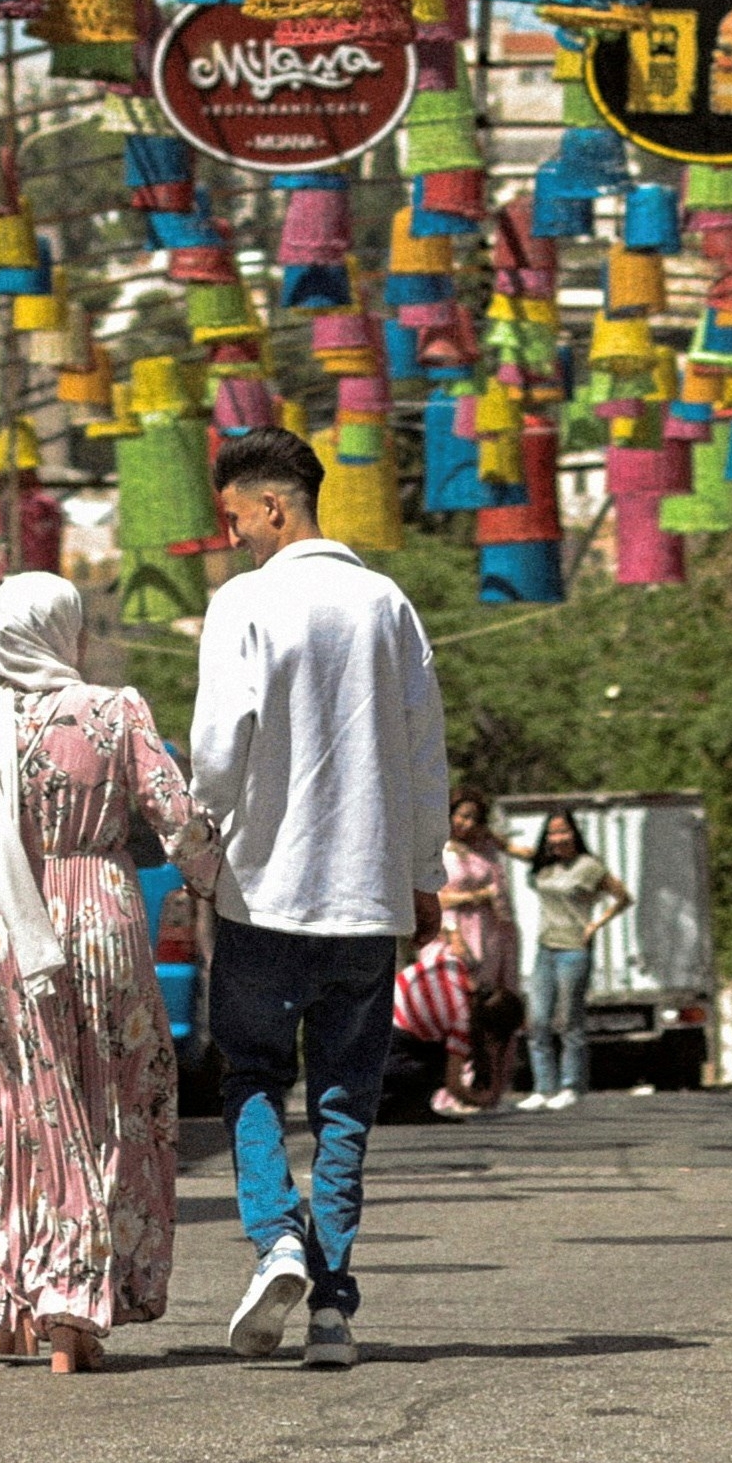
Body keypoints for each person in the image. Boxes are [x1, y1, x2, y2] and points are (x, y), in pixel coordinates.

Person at [188, 425, 451, 1370]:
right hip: (368, 901)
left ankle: (279, 1241)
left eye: (233, 519)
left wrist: (197, 850)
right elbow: (427, 755)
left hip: (264, 895)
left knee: (254, 1075)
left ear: (272, 507)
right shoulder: (388, 604)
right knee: (346, 1104)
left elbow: (219, 750)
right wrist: (425, 873)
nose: (232, 540)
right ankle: (332, 1312)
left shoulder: (246, 605)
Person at [0, 573, 224, 1375]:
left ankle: (15, 1308)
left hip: (10, 929)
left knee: (24, 1106)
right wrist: (220, 876)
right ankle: (76, 1311)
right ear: (62, 633)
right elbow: (177, 816)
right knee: (113, 1106)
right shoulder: (113, 712)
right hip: (98, 913)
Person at [515, 812, 629, 1110]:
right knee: (538, 1021)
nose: (557, 839)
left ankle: (571, 1085)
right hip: (545, 949)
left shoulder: (589, 867)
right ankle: (543, 1087)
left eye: (563, 832)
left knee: (569, 1021)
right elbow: (515, 850)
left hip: (574, 951)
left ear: (574, 834)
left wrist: (596, 924)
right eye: (552, 834)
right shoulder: (545, 864)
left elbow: (623, 897)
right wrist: (487, 834)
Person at [431, 791, 516, 1119]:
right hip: (452, 934)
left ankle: (487, 1088)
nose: (465, 823)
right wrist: (479, 895)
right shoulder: (437, 850)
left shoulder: (483, 852)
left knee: (488, 1012)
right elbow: (436, 899)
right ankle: (450, 1087)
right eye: (460, 815)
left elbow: (519, 857)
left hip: (490, 936)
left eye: (473, 818)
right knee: (457, 1011)